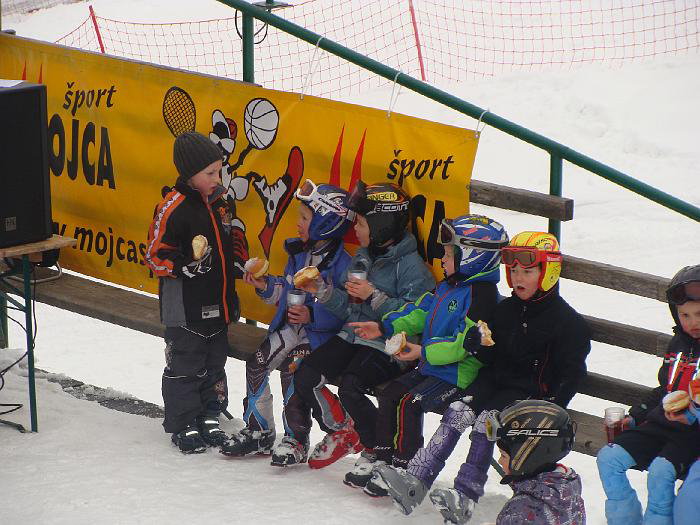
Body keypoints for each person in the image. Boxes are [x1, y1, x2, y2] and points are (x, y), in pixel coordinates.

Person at [376, 231, 591, 520]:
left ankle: (465, 494)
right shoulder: (506, 310)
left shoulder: (567, 323)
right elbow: (490, 356)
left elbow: (572, 371)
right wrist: (476, 344)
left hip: (529, 394)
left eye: (527, 272)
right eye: (513, 271)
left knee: (486, 424)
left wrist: (553, 404)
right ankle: (415, 480)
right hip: (492, 382)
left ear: (548, 273)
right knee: (457, 411)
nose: (518, 278)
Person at [345, 214, 508, 497]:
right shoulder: (448, 285)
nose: (442, 259)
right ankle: (383, 459)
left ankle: (404, 467)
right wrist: (384, 326)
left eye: (449, 254)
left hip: (457, 374)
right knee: (391, 394)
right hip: (431, 366)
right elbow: (420, 312)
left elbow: (463, 344)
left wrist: (423, 351)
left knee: (411, 402)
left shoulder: (481, 296)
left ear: (473, 257)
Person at [293, 181, 436, 469]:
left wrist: (374, 296)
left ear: (382, 226)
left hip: (388, 346)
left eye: (360, 223)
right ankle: (344, 429)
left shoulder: (412, 268)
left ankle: (373, 448)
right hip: (353, 335)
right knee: (306, 374)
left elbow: (416, 318)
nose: (354, 229)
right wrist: (322, 291)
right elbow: (349, 308)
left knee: (350, 387)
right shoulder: (363, 256)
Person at [219, 180, 353, 466]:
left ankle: (296, 438)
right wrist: (266, 285)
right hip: (290, 329)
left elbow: (348, 310)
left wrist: (313, 315)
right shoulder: (299, 254)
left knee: (292, 371)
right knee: (256, 363)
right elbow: (287, 290)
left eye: (304, 218)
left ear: (326, 222)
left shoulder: (344, 265)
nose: (298, 224)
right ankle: (259, 430)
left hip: (319, 338)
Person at [145, 131, 240, 453]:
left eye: (219, 171)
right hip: (185, 310)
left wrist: (240, 265)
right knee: (185, 365)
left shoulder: (221, 204)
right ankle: (184, 422)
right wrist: (183, 267)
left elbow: (229, 247)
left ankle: (210, 413)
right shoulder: (172, 207)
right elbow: (154, 255)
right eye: (210, 173)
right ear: (189, 174)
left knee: (215, 363)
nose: (217, 179)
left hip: (218, 305)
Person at [597, 264, 700, 525]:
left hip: (692, 434)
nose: (693, 323)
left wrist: (691, 415)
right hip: (661, 424)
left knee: (660, 472)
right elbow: (664, 389)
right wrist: (635, 416)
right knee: (608, 458)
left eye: (699, 314)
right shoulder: (679, 345)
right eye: (685, 315)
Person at [466, 400, 586, 525]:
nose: (500, 461)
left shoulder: (522, 511)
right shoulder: (567, 490)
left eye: (503, 455)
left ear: (528, 455)